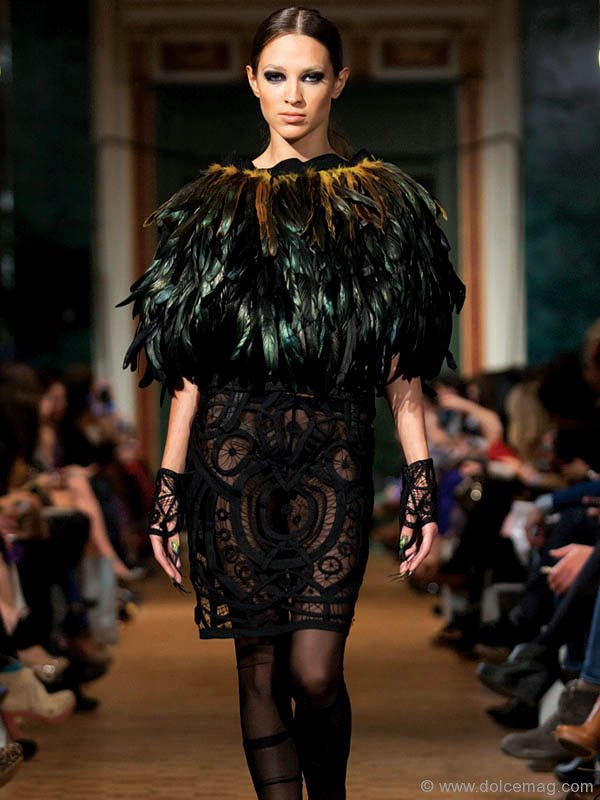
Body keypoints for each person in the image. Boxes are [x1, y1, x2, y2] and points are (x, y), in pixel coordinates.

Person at [119, 7, 465, 799]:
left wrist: (422, 483)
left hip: (331, 459)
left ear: (340, 81)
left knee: (315, 672)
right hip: (231, 459)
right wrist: (169, 487)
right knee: (261, 671)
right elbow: (187, 369)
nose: (294, 95)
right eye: (277, 76)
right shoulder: (213, 207)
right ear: (252, 81)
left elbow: (404, 370)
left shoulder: (382, 205)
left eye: (311, 76)